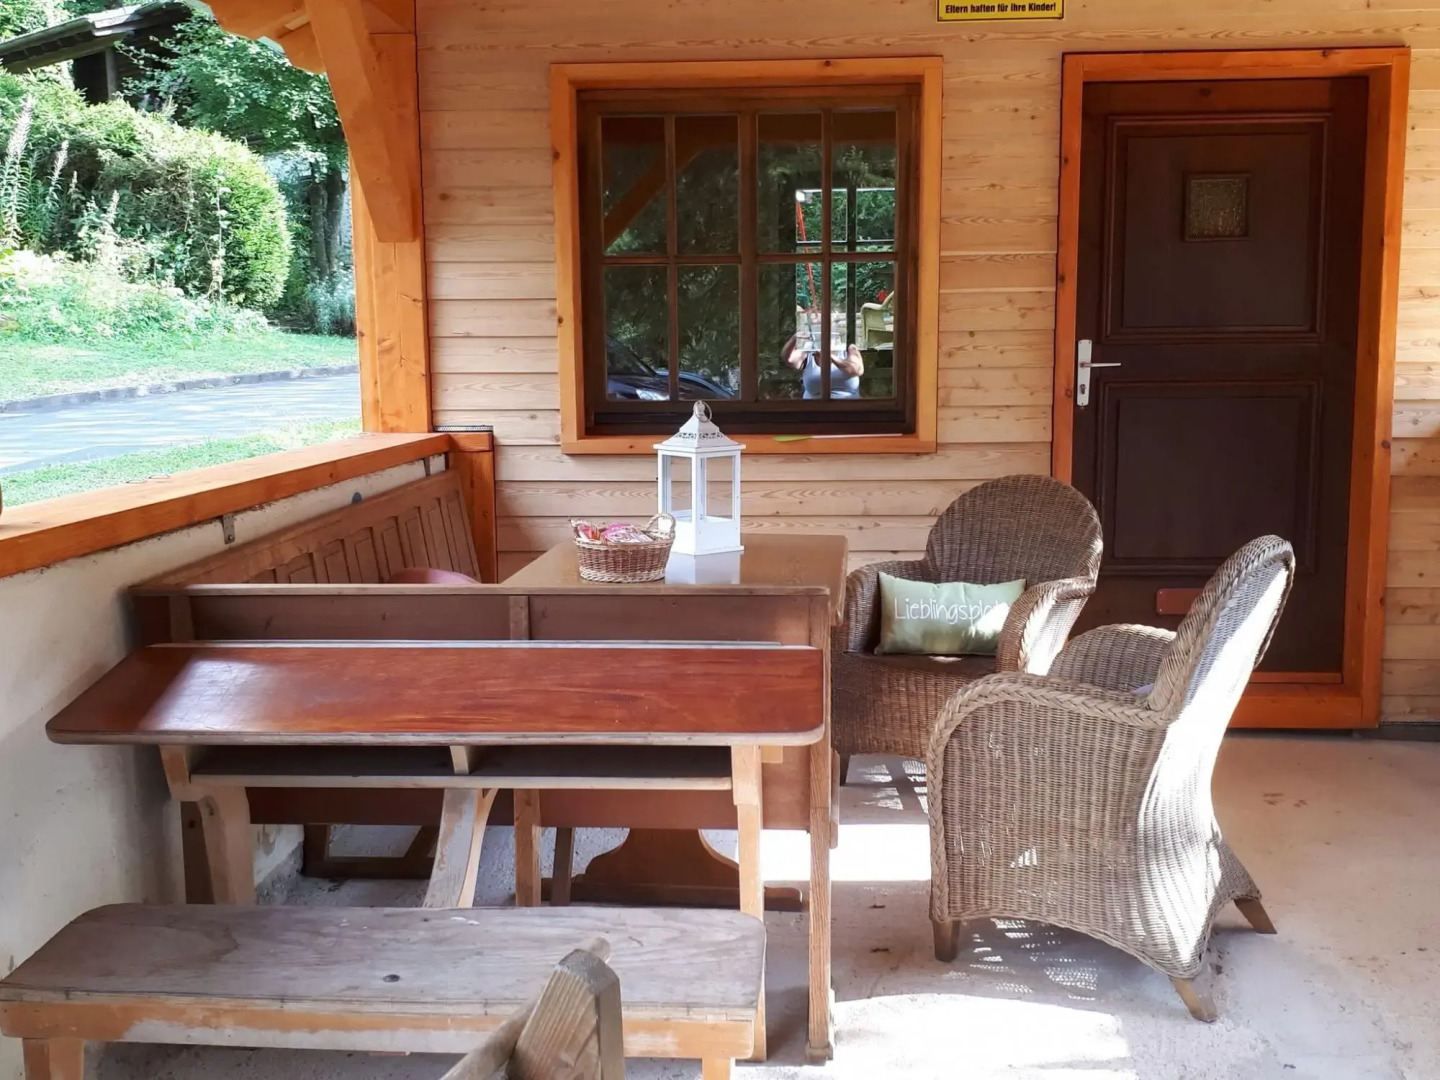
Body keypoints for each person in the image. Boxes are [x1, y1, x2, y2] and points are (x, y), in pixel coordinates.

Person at [782, 331, 865, 400]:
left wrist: (830, 357)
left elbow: (857, 370)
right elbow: (789, 360)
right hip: (815, 413)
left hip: (849, 412)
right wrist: (795, 338)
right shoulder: (808, 353)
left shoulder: (848, 349)